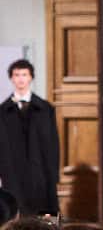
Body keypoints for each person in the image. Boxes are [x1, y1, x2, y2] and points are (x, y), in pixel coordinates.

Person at [0, 57, 59, 216]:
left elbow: (53, 145)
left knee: (46, 220)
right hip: (12, 174)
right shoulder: (2, 111)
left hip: (40, 173)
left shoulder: (46, 109)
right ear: (11, 78)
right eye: (17, 75)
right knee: (16, 219)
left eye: (24, 74)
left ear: (31, 77)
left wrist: (53, 176)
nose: (21, 79)